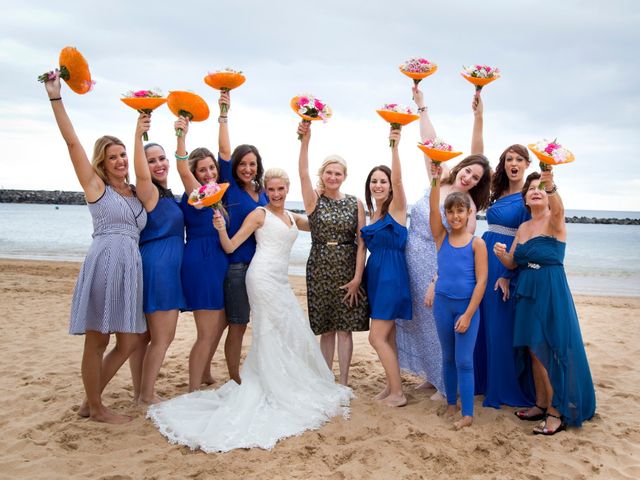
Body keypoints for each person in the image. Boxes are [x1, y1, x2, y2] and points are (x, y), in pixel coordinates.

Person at [147, 169, 353, 453]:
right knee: (270, 332)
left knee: (288, 329)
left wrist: (336, 207)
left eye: (281, 189)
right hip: (261, 278)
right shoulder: (259, 214)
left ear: (287, 188)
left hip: (280, 281)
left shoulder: (293, 217)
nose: (277, 194)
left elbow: (320, 224)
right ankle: (272, 384)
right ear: (266, 189)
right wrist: (220, 226)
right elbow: (231, 245)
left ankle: (288, 380)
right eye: (272, 189)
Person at [43, 72, 149, 424]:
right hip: (105, 261)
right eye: (113, 157)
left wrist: (142, 127)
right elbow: (72, 144)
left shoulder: (134, 193)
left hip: (130, 267)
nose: (121, 161)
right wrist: (56, 98)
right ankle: (96, 407)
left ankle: (91, 401)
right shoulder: (95, 187)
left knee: (131, 340)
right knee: (98, 340)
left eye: (123, 155)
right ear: (102, 163)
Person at [396, 85, 491, 399]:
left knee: (438, 320)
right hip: (412, 251)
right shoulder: (439, 176)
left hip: (437, 262)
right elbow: (429, 141)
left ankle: (444, 381)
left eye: (476, 178)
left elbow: (460, 245)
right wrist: (421, 104)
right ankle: (430, 374)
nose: (469, 178)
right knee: (421, 320)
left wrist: (438, 278)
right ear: (460, 166)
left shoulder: (468, 206)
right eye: (468, 171)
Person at [494, 170, 596, 434]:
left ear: (549, 194)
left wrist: (550, 184)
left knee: (551, 348)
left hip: (551, 288)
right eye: (531, 189)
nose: (535, 191)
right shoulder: (524, 227)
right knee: (532, 348)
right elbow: (513, 262)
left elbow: (559, 207)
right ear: (525, 199)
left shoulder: (555, 219)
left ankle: (556, 410)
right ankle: (540, 403)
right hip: (527, 288)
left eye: (541, 188)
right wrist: (501, 255)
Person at [471, 95, 535, 409]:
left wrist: (509, 273)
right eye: (509, 159)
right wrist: (480, 115)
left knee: (500, 330)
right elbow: (477, 155)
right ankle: (483, 382)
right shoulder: (497, 193)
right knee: (483, 326)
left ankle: (503, 388)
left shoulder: (528, 197)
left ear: (527, 165)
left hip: (505, 267)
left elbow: (525, 238)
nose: (513, 164)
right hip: (485, 262)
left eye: (518, 160)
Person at [296, 121, 369, 386]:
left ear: (344, 176)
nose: (333, 177)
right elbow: (302, 173)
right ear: (322, 174)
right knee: (326, 329)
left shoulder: (355, 203)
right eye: (329, 173)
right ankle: (327, 379)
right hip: (319, 266)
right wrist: (306, 140)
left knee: (345, 328)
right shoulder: (313, 200)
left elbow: (362, 242)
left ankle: (345, 380)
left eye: (338, 173)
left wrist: (358, 278)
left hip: (348, 267)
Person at [128, 133, 186, 405]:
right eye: (151, 161)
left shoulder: (166, 194)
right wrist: (139, 133)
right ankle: (147, 395)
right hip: (159, 267)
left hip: (157, 264)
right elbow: (141, 174)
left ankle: (141, 391)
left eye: (162, 158)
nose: (160, 164)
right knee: (163, 336)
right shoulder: (148, 191)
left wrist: (181, 136)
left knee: (146, 336)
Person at [429, 162, 488, 430]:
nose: (455, 216)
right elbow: (432, 210)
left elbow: (482, 281)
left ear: (468, 213)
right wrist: (434, 180)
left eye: (460, 211)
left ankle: (467, 413)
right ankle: (450, 404)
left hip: (466, 308)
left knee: (465, 361)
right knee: (448, 356)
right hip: (442, 304)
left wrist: (468, 314)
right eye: (450, 211)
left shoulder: (477, 243)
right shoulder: (441, 238)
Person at [174, 116, 228, 392]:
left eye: (211, 168)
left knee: (219, 325)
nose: (208, 174)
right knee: (206, 332)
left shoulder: (217, 193)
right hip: (202, 261)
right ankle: (193, 390)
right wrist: (181, 136)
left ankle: (205, 372)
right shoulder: (195, 193)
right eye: (202, 170)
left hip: (218, 261)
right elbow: (182, 169)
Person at [217, 91, 268, 384]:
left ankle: (254, 370)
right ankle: (234, 377)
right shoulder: (230, 189)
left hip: (260, 268)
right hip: (237, 267)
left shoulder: (262, 193)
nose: (247, 169)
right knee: (237, 324)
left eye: (252, 164)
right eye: (242, 164)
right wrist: (224, 113)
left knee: (257, 325)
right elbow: (224, 150)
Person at [360, 128, 412, 407]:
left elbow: (399, 178)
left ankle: (398, 394)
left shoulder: (397, 208)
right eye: (374, 181)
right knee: (388, 336)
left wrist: (394, 145)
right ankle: (392, 386)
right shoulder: (373, 213)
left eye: (383, 181)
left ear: (391, 186)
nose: (378, 185)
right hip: (377, 276)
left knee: (375, 337)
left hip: (392, 277)